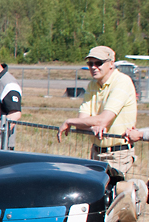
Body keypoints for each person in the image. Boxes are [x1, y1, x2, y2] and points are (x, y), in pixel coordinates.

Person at [57, 46, 138, 176]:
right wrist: (89, 125)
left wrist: (70, 121)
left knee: (114, 194)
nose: (94, 67)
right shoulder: (92, 85)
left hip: (118, 154)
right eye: (90, 63)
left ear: (111, 63)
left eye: (99, 63)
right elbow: (83, 119)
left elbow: (103, 119)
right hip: (96, 152)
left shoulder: (122, 82)